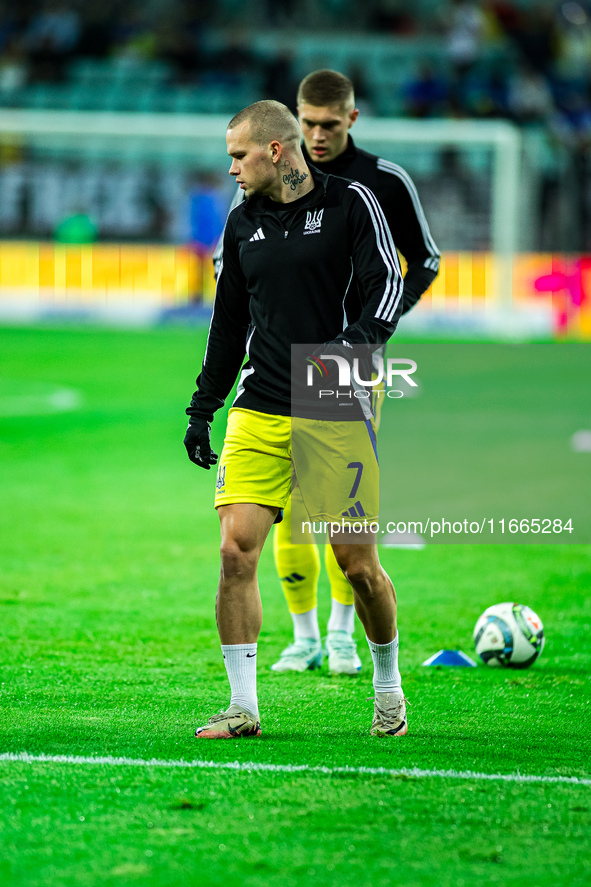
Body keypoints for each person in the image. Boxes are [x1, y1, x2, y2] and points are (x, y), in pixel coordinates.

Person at [184, 99, 408, 739]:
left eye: (237, 156)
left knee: (356, 563)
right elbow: (227, 325)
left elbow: (387, 285)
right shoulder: (242, 223)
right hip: (260, 402)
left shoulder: (350, 203)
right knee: (234, 551)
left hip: (334, 396)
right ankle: (243, 707)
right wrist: (204, 407)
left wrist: (354, 347)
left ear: (275, 150)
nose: (231, 169)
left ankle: (387, 686)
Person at [264, 69, 439, 676]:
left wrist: (372, 329)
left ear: (352, 120)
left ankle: (342, 633)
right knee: (286, 497)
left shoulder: (383, 182)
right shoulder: (271, 176)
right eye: (306, 122)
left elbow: (425, 261)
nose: (314, 134)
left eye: (328, 124)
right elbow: (234, 258)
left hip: (351, 365)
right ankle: (303, 635)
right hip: (283, 363)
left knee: (342, 502)